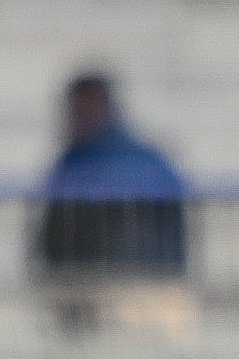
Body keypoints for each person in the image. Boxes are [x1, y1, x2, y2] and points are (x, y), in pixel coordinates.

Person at [34, 72, 191, 335]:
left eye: (86, 107)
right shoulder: (72, 162)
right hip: (85, 289)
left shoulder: (143, 160)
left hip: (140, 286)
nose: (78, 117)